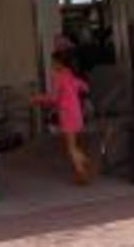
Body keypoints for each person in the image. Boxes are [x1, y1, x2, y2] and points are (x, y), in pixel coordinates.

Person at [33, 50, 93, 184]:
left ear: (59, 63)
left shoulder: (58, 77)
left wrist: (37, 99)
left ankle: (83, 169)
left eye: (53, 62)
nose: (52, 65)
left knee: (71, 147)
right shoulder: (71, 75)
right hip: (77, 113)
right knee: (73, 145)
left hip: (67, 114)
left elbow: (53, 98)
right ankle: (82, 167)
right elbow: (85, 87)